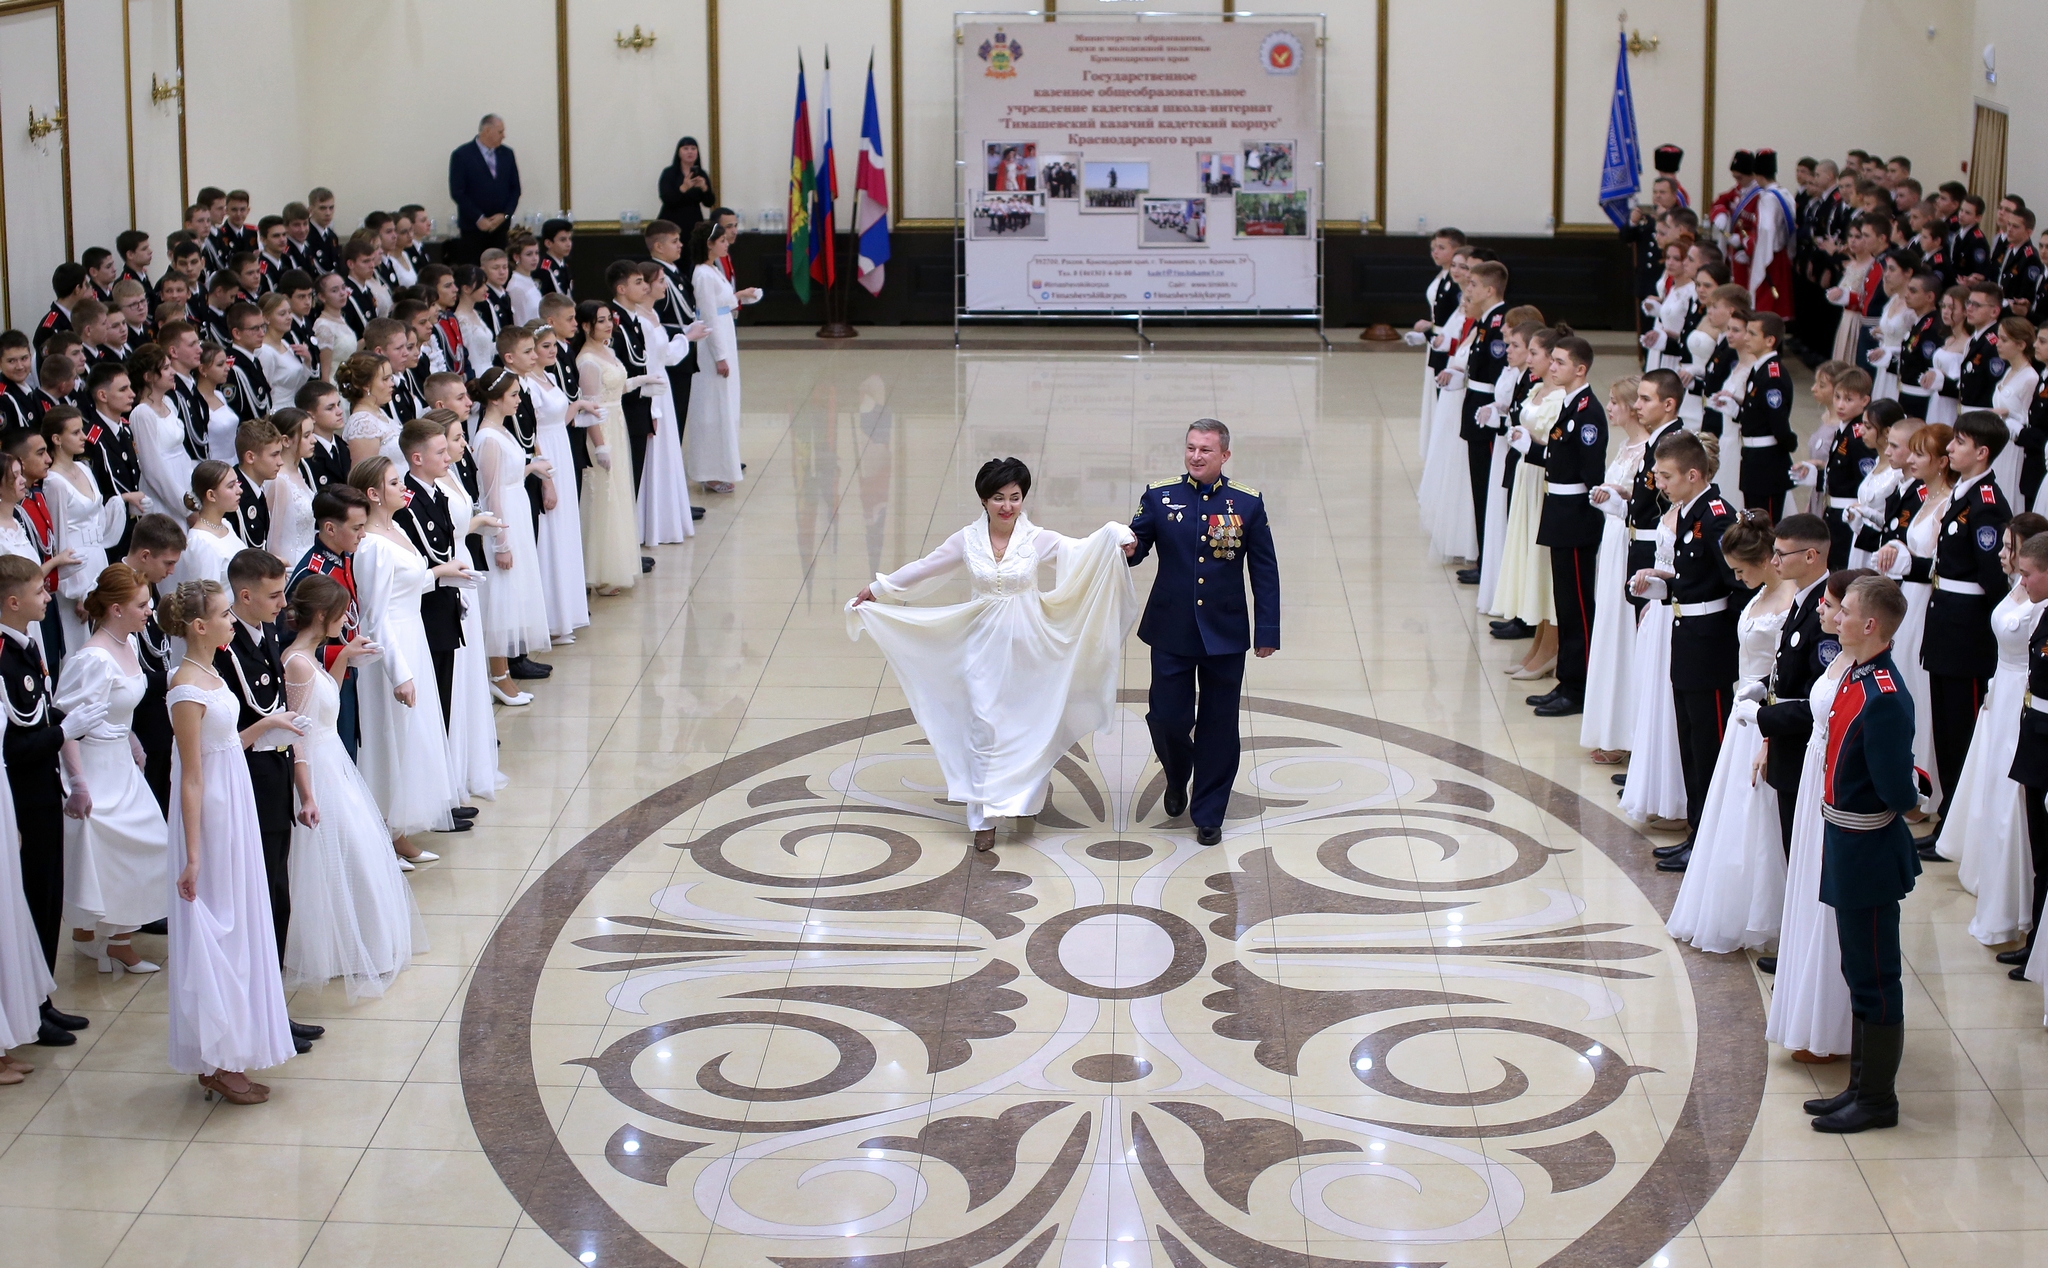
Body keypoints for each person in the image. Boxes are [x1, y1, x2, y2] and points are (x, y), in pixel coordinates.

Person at [851, 457, 1140, 851]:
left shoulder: (1035, 538)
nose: (1007, 506)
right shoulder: (967, 540)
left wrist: (1113, 535)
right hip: (981, 645)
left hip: (1031, 645)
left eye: (1015, 497)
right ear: (984, 501)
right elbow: (926, 567)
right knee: (984, 726)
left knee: (1028, 725)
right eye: (999, 498)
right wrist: (878, 589)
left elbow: (1081, 551)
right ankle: (983, 818)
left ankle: (1023, 802)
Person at [160, 578, 296, 1103]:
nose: (230, 622)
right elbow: (190, 776)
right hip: (212, 817)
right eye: (222, 615)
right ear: (200, 626)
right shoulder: (184, 687)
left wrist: (267, 726)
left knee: (241, 920)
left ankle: (230, 1048)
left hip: (234, 801)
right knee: (222, 927)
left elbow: (224, 746)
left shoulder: (212, 673)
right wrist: (193, 855)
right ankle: (220, 1058)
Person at [1124, 421, 1280, 846]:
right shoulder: (1159, 496)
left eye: (1205, 450)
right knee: (1166, 718)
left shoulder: (1246, 503)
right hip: (1171, 628)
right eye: (1191, 448)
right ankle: (1178, 774)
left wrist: (1267, 629)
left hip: (1224, 633)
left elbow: (1264, 570)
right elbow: (1138, 545)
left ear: (1224, 455)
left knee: (1219, 724)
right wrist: (1128, 548)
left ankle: (1209, 811)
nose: (1195, 456)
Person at [1804, 576, 1920, 1133]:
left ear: (1870, 624)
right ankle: (1858, 1086)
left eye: (1845, 610)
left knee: (1875, 974)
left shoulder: (1885, 696)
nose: (1835, 615)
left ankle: (1877, 1101)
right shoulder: (1857, 674)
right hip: (1845, 841)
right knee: (1857, 967)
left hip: (1867, 849)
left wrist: (1913, 794)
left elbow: (1897, 789)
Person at [280, 573, 425, 999]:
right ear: (321, 615)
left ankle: (363, 943)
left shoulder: (310, 659)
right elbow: (297, 735)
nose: (346, 620)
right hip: (318, 769)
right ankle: (344, 948)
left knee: (355, 852)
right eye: (342, 613)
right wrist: (307, 793)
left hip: (333, 762)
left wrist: (343, 658)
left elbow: (324, 701)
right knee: (344, 854)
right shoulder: (296, 664)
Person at [1666, 512, 1789, 950]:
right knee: (1733, 808)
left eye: (1740, 570)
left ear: (1765, 560)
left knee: (1761, 814)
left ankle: (1766, 912)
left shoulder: (1791, 600)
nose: (1735, 578)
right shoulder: (1757, 596)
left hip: (1766, 713)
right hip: (1744, 711)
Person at [1767, 568, 1868, 1063]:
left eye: (1837, 607)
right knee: (1804, 881)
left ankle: (1830, 1024)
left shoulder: (1865, 671)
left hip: (1832, 781)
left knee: (1826, 897)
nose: (1826, 612)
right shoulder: (1842, 658)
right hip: (1813, 772)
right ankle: (1804, 1006)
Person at [1632, 429, 1742, 868]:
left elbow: (1739, 584)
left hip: (1709, 644)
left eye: (1666, 476)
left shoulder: (1715, 517)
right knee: (1691, 741)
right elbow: (1693, 578)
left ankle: (1710, 840)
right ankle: (1697, 831)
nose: (1659, 484)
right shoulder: (1690, 511)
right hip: (1687, 635)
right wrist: (1662, 584)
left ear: (1693, 475)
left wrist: (1728, 640)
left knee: (1709, 744)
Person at [1938, 515, 2048, 946]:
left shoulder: (2039, 599)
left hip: (2025, 697)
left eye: (2010, 547)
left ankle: (2019, 904)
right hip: (2002, 690)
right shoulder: (2020, 585)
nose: (2002, 554)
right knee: (1994, 790)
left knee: (2013, 802)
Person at [57, 563, 171, 974]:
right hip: (94, 767)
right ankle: (103, 938)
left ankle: (112, 938)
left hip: (122, 761)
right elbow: (67, 725)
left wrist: (131, 739)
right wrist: (77, 783)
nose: (149, 611)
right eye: (141, 605)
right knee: (110, 851)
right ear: (116, 609)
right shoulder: (92, 660)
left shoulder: (130, 644)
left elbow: (116, 709)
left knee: (148, 844)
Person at [0, 555, 94, 1046]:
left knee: (47, 895)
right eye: (39, 591)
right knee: (29, 898)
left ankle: (41, 999)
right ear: (13, 601)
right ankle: (27, 1008)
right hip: (18, 796)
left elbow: (37, 712)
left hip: (42, 788)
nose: (47, 596)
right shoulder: (3, 655)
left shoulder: (27, 644)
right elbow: (12, 746)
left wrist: (64, 719)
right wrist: (63, 732)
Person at [350, 456, 462, 847]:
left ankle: (399, 829)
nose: (403, 488)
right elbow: (376, 615)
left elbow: (407, 585)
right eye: (395, 483)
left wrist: (442, 575)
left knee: (412, 733)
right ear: (373, 493)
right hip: (392, 643)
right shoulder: (372, 546)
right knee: (390, 733)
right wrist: (399, 673)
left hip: (412, 633)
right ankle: (387, 830)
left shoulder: (395, 528)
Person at [1524, 336, 1607, 717]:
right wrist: (1528, 447)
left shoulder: (1588, 412)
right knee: (1565, 604)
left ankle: (1579, 687)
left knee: (1577, 608)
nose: (1552, 367)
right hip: (1560, 511)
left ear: (1580, 369)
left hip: (1575, 516)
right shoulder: (1571, 404)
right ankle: (1567, 680)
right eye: (1552, 360)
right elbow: (1560, 455)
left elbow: (1590, 473)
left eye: (1559, 362)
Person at [470, 369, 554, 698]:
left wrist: (532, 468)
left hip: (516, 512)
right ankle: (499, 675)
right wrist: (501, 543)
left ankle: (503, 671)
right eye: (514, 395)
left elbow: (507, 473)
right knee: (500, 597)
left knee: (513, 593)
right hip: (504, 520)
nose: (519, 400)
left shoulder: (501, 430)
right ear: (494, 399)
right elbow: (491, 495)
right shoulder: (487, 438)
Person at [45, 407, 142, 660]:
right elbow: (59, 539)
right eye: (75, 432)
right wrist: (79, 592)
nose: (84, 437)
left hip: (97, 556)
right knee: (78, 641)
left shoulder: (85, 469)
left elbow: (99, 516)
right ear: (56, 439)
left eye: (82, 430)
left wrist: (123, 500)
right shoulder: (53, 482)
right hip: (76, 565)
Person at [523, 324, 591, 642]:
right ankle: (551, 618)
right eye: (545, 346)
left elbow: (557, 419)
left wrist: (579, 407)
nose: (552, 351)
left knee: (565, 530)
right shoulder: (526, 385)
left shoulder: (547, 377)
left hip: (561, 449)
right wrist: (546, 478)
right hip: (547, 454)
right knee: (550, 532)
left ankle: (569, 610)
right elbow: (533, 432)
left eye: (554, 346)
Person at [575, 301, 643, 596]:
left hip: (617, 422)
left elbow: (614, 388)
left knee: (619, 490)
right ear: (585, 326)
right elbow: (590, 406)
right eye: (600, 321)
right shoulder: (587, 360)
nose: (608, 325)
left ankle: (617, 563)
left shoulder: (608, 350)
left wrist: (639, 381)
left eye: (608, 319)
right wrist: (600, 445)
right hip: (602, 430)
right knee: (604, 494)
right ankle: (600, 572)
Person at [685, 222, 747, 496]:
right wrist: (719, 356)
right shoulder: (702, 274)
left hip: (725, 334)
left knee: (726, 404)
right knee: (711, 406)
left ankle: (722, 465)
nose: (726, 244)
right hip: (713, 344)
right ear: (709, 243)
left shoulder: (713, 269)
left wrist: (742, 297)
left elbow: (723, 303)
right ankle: (707, 471)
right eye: (721, 240)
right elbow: (709, 315)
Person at [449, 114, 520, 262]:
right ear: (487, 131)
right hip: (473, 228)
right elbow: (458, 192)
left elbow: (515, 189)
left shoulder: (507, 154)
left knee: (499, 267)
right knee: (474, 268)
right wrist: (478, 218)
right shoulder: (462, 155)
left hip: (500, 228)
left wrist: (505, 215)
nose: (504, 136)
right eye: (500, 132)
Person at [658, 137, 717, 232]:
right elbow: (666, 199)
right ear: (678, 153)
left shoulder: (701, 174)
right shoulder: (669, 173)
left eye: (693, 149)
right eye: (685, 149)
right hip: (671, 222)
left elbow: (710, 203)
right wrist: (684, 188)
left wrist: (704, 188)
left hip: (694, 222)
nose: (690, 152)